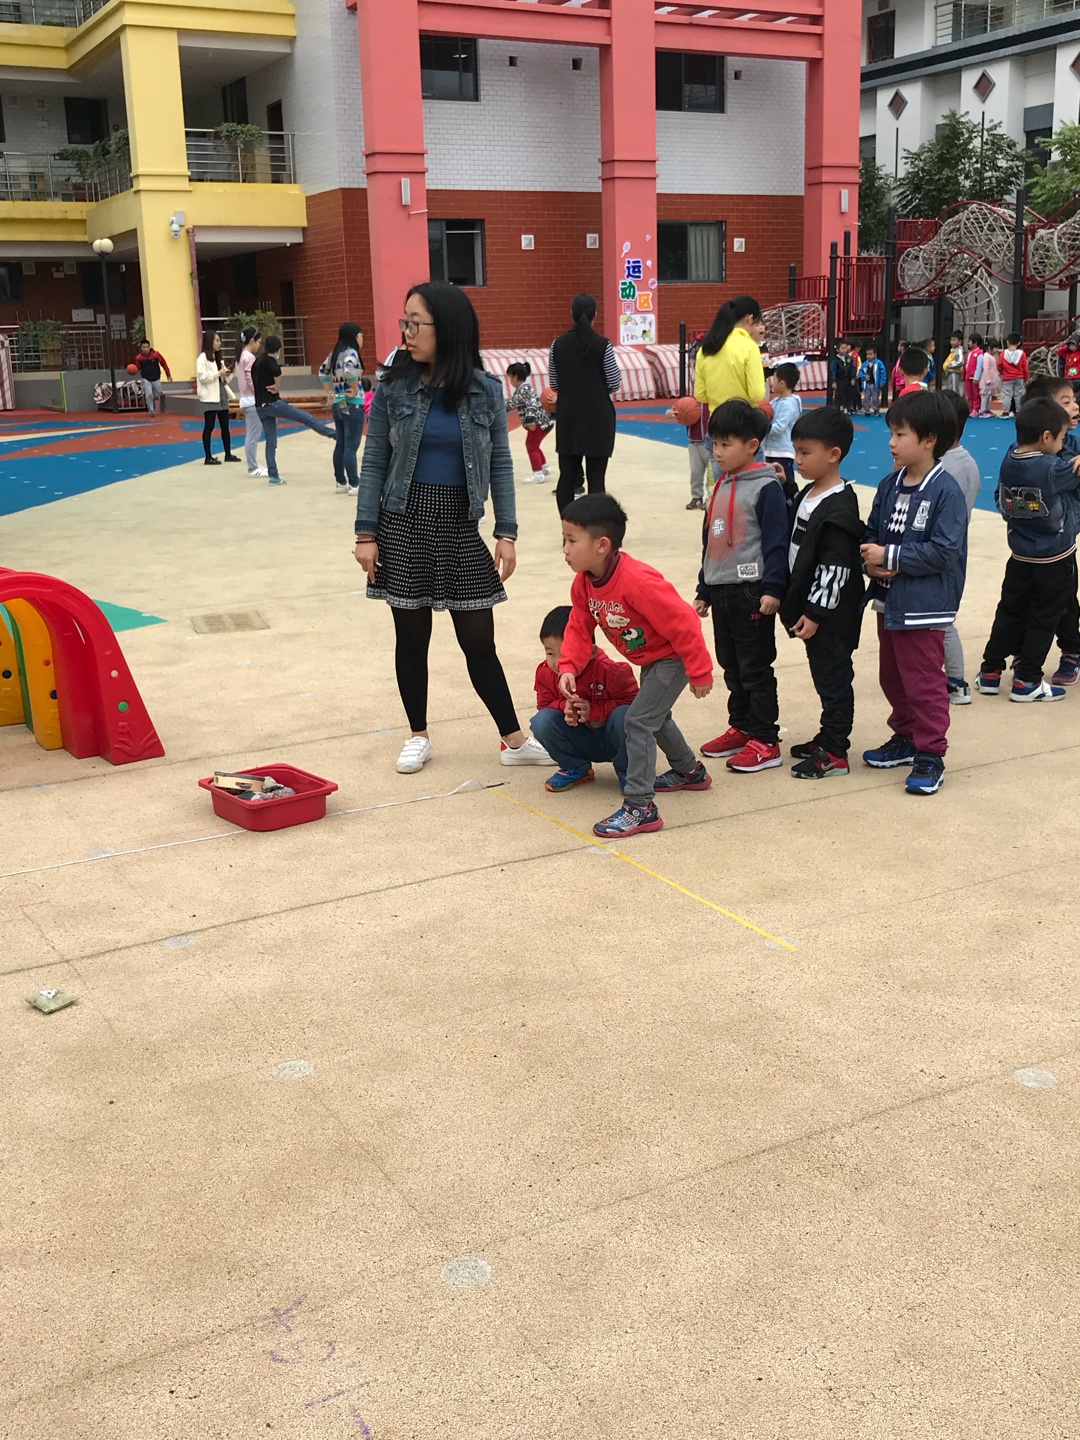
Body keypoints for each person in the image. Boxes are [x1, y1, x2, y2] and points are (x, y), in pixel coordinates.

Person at [354, 281, 549, 774]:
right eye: (405, 322)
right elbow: (374, 461)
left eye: (415, 323)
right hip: (403, 523)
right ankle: (417, 734)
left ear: (448, 328)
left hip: (461, 526)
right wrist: (365, 534)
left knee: (479, 640)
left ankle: (513, 740)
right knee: (411, 638)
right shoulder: (393, 386)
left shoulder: (485, 389)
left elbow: (500, 463)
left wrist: (506, 532)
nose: (407, 332)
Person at [557, 493, 714, 838]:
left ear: (602, 545)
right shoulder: (584, 583)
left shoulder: (637, 581)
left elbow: (685, 622)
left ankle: (640, 807)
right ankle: (689, 771)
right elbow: (579, 628)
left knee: (638, 720)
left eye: (571, 540)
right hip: (650, 657)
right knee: (656, 718)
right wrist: (568, 666)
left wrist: (699, 670)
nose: (564, 550)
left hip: (673, 657)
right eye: (563, 540)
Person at [860, 390, 967, 796]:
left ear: (929, 440)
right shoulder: (889, 484)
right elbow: (872, 532)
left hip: (925, 606)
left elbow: (945, 551)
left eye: (900, 434)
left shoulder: (946, 491)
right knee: (892, 677)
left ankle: (930, 754)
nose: (891, 442)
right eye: (891, 432)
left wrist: (891, 555)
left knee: (923, 683)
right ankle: (905, 737)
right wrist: (869, 561)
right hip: (889, 601)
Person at [694, 399, 788, 775]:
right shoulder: (720, 484)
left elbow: (776, 542)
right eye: (714, 443)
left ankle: (766, 739)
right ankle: (743, 726)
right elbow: (710, 543)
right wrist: (704, 588)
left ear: (752, 445)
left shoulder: (765, 487)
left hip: (752, 590)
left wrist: (773, 588)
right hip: (721, 590)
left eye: (726, 444)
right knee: (731, 665)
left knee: (755, 667)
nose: (717, 452)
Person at [976, 396, 1080, 704]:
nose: (1063, 446)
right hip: (1054, 558)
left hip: (1020, 555)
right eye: (1061, 439)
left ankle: (990, 670)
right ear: (1046, 437)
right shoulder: (1051, 468)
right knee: (1044, 618)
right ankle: (1028, 679)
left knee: (1009, 612)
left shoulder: (1011, 458)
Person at [781, 406, 865, 779]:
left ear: (833, 454)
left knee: (834, 678)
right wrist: (787, 486)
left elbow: (835, 568)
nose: (798, 459)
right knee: (823, 674)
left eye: (805, 452)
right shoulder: (810, 492)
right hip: (813, 608)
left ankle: (834, 751)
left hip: (831, 616)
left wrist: (816, 613)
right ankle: (827, 736)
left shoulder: (840, 507)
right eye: (796, 451)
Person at [530, 604, 639, 792]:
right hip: (580, 738)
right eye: (550, 653)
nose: (558, 662)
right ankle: (575, 767)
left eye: (567, 653)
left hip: (612, 737)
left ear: (592, 651)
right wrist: (565, 706)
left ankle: (629, 770)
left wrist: (594, 711)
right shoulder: (546, 673)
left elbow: (635, 705)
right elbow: (544, 705)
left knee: (625, 715)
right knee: (542, 721)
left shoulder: (612, 671)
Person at [1025, 374, 1080, 684]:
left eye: (1073, 400)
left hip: (1062, 542)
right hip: (1029, 543)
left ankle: (1072, 650)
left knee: (1065, 600)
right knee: (1027, 597)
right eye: (1066, 402)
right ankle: (1025, 651)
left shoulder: (1072, 448)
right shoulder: (1023, 453)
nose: (1075, 406)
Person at [548, 294, 620, 513]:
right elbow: (614, 382)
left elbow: (554, 382)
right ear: (595, 315)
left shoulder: (557, 345)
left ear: (571, 314)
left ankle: (567, 526)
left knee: (567, 477)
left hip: (569, 415)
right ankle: (594, 527)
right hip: (598, 416)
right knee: (597, 480)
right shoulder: (603, 345)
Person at [937, 390, 982, 704]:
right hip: (953, 548)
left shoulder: (945, 467)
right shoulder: (966, 462)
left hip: (944, 551)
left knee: (941, 618)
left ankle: (956, 681)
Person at [252, 336, 335, 486]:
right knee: (306, 418)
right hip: (272, 403)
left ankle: (273, 475)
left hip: (259, 406)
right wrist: (277, 387)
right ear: (278, 349)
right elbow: (277, 372)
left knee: (271, 441)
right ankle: (334, 434)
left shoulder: (258, 361)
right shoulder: (270, 360)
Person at [693, 295, 767, 416]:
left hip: (716, 418)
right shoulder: (750, 347)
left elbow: (700, 395)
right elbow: (756, 393)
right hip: (743, 418)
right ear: (750, 319)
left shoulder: (705, 348)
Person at [319, 321, 366, 496]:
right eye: (361, 336)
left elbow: (322, 371)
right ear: (355, 337)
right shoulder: (351, 353)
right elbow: (348, 369)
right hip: (353, 403)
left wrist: (330, 392)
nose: (362, 339)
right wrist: (354, 388)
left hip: (338, 403)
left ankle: (341, 481)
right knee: (351, 446)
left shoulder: (334, 354)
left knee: (341, 444)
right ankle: (355, 483)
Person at [194, 330, 238, 466]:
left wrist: (230, 372)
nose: (220, 343)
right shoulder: (202, 358)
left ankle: (228, 454)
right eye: (217, 340)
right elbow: (202, 377)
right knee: (209, 426)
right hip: (210, 396)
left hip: (221, 393)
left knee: (225, 425)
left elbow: (224, 379)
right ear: (210, 341)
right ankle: (208, 456)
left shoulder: (218, 359)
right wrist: (218, 373)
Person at [506, 360, 553, 484]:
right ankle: (544, 467)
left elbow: (531, 404)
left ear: (515, 377)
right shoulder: (524, 389)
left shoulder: (523, 390)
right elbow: (511, 404)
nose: (509, 381)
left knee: (531, 446)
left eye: (509, 377)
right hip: (543, 422)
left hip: (536, 423)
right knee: (534, 445)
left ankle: (538, 473)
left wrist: (530, 419)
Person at [763, 362, 802, 504]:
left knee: (785, 485)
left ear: (782, 383)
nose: (771, 382)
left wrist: (762, 426)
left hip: (783, 452)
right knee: (770, 485)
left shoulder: (790, 404)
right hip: (771, 450)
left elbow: (778, 427)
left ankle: (790, 507)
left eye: (774, 379)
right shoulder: (775, 401)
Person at [664, 397, 711, 511]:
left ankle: (710, 498)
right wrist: (669, 413)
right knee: (695, 473)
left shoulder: (712, 401)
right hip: (694, 443)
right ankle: (696, 497)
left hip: (710, 444)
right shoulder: (689, 401)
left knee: (712, 474)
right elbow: (672, 411)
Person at [234, 327, 266, 477]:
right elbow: (251, 379)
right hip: (252, 399)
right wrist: (260, 393)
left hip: (247, 399)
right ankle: (252, 467)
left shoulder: (241, 356)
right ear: (252, 341)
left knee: (252, 434)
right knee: (253, 435)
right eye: (258, 342)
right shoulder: (249, 358)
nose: (259, 345)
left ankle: (253, 465)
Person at [131, 338, 171, 417]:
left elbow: (163, 363)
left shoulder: (156, 355)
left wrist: (168, 375)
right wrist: (133, 370)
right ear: (141, 348)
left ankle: (155, 397)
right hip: (146, 378)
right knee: (148, 394)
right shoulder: (139, 357)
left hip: (156, 377)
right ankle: (151, 411)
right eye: (144, 347)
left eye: (147, 347)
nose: (145, 349)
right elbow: (138, 367)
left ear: (149, 347)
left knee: (157, 393)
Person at [999, 333, 1029, 417]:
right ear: (1019, 343)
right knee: (1018, 395)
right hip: (1019, 377)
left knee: (1007, 395)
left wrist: (1002, 373)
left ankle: (1006, 411)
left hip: (1007, 377)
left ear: (1007, 342)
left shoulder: (1003, 354)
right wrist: (1026, 378)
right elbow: (1025, 367)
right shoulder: (1022, 354)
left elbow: (999, 366)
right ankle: (1018, 411)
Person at [831, 340, 858, 413]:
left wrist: (853, 377)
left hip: (848, 379)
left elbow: (853, 368)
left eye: (845, 348)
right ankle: (837, 409)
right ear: (837, 350)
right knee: (839, 395)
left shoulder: (849, 358)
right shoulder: (835, 360)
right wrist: (833, 381)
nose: (844, 350)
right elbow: (833, 371)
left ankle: (848, 408)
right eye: (842, 348)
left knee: (848, 394)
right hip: (840, 379)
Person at [859, 345, 886, 416]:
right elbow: (860, 372)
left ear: (875, 355)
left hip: (875, 384)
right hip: (867, 384)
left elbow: (883, 372)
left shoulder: (879, 363)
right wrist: (864, 376)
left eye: (871, 354)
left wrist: (882, 382)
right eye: (867, 354)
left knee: (875, 398)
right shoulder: (865, 364)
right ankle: (866, 409)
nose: (869, 356)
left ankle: (876, 410)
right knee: (866, 397)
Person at [979, 339, 1002, 417]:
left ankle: (987, 409)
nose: (996, 350)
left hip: (991, 380)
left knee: (988, 396)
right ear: (989, 348)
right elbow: (986, 368)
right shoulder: (986, 357)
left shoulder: (991, 357)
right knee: (985, 396)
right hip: (986, 381)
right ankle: (982, 410)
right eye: (994, 348)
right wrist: (987, 379)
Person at [963, 334, 984, 417]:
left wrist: (976, 377)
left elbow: (979, 366)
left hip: (974, 378)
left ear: (975, 342)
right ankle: (970, 408)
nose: (968, 343)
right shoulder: (970, 353)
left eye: (970, 341)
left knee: (976, 394)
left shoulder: (979, 353)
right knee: (969, 394)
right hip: (968, 377)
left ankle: (976, 408)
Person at [890, 340, 907, 405]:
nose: (898, 347)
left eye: (899, 346)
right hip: (898, 382)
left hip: (901, 383)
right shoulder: (900, 357)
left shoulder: (904, 358)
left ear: (902, 347)